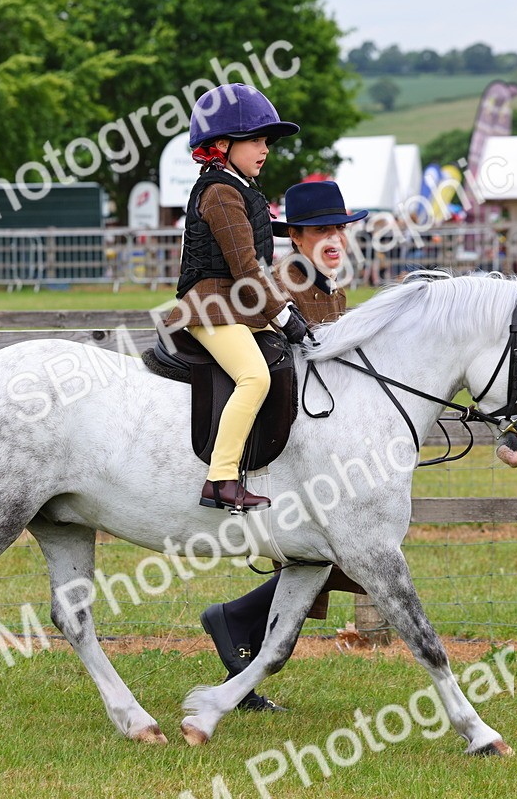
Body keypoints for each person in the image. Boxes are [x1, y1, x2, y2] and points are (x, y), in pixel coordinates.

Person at [200, 179, 370, 712]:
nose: (334, 237)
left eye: (339, 228)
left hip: (321, 430)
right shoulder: (284, 284)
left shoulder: (330, 283)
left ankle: (240, 626)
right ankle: (241, 627)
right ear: (294, 236)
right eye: (322, 229)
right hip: (289, 434)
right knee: (337, 555)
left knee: (329, 560)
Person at [161, 83, 304, 512]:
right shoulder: (221, 192)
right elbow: (247, 269)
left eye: (266, 142)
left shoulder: (240, 186)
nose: (264, 149)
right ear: (222, 145)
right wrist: (286, 316)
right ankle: (220, 479)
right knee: (254, 377)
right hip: (211, 307)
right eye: (256, 140)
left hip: (234, 305)